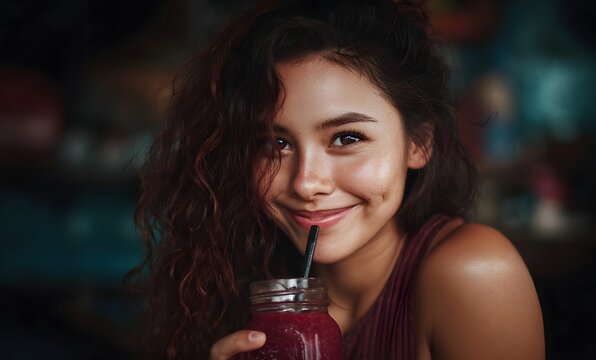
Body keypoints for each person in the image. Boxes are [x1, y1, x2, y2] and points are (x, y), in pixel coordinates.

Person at [131, 0, 545, 359]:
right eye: (274, 143)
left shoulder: (472, 273)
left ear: (418, 143)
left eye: (347, 138)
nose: (306, 183)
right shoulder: (245, 284)